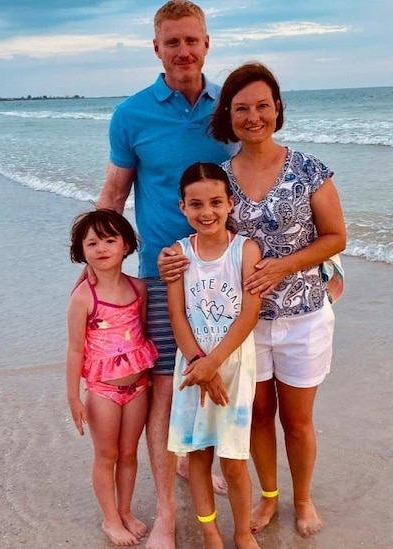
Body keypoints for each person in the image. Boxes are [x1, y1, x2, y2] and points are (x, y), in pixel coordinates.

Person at [160, 62, 347, 537]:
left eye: (263, 105)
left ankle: (302, 500)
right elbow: (204, 242)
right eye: (241, 108)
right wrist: (168, 263)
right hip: (242, 326)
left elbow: (336, 237)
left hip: (304, 313)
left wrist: (285, 265)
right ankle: (269, 497)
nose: (253, 116)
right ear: (229, 115)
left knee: (299, 421)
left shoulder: (309, 170)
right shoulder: (219, 179)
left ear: (277, 109)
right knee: (259, 417)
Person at [93, 1, 237, 547]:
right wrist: (100, 273)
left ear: (207, 44)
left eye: (192, 40)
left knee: (218, 374)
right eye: (172, 42)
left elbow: (257, 185)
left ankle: (202, 461)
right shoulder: (131, 114)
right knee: (163, 390)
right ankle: (168, 517)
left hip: (224, 273)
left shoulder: (232, 107)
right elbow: (114, 195)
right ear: (156, 48)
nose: (184, 51)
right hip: (163, 272)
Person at [166, 163, 262, 549]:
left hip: (233, 366)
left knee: (235, 459)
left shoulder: (245, 249)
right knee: (199, 455)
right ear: (183, 208)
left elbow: (250, 312)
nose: (207, 211)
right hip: (191, 369)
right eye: (196, 204)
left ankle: (241, 532)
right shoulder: (178, 253)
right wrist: (199, 365)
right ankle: (210, 532)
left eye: (216, 202)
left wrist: (213, 363)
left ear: (230, 203)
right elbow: (177, 313)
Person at [66, 210, 159, 547]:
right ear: (81, 251)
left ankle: (125, 510)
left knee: (130, 453)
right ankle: (109, 519)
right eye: (92, 242)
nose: (101, 248)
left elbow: (142, 333)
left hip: (137, 387)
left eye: (109, 240)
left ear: (126, 245)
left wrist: (147, 381)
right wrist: (74, 397)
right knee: (107, 455)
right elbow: (75, 350)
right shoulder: (83, 297)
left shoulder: (138, 288)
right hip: (103, 390)